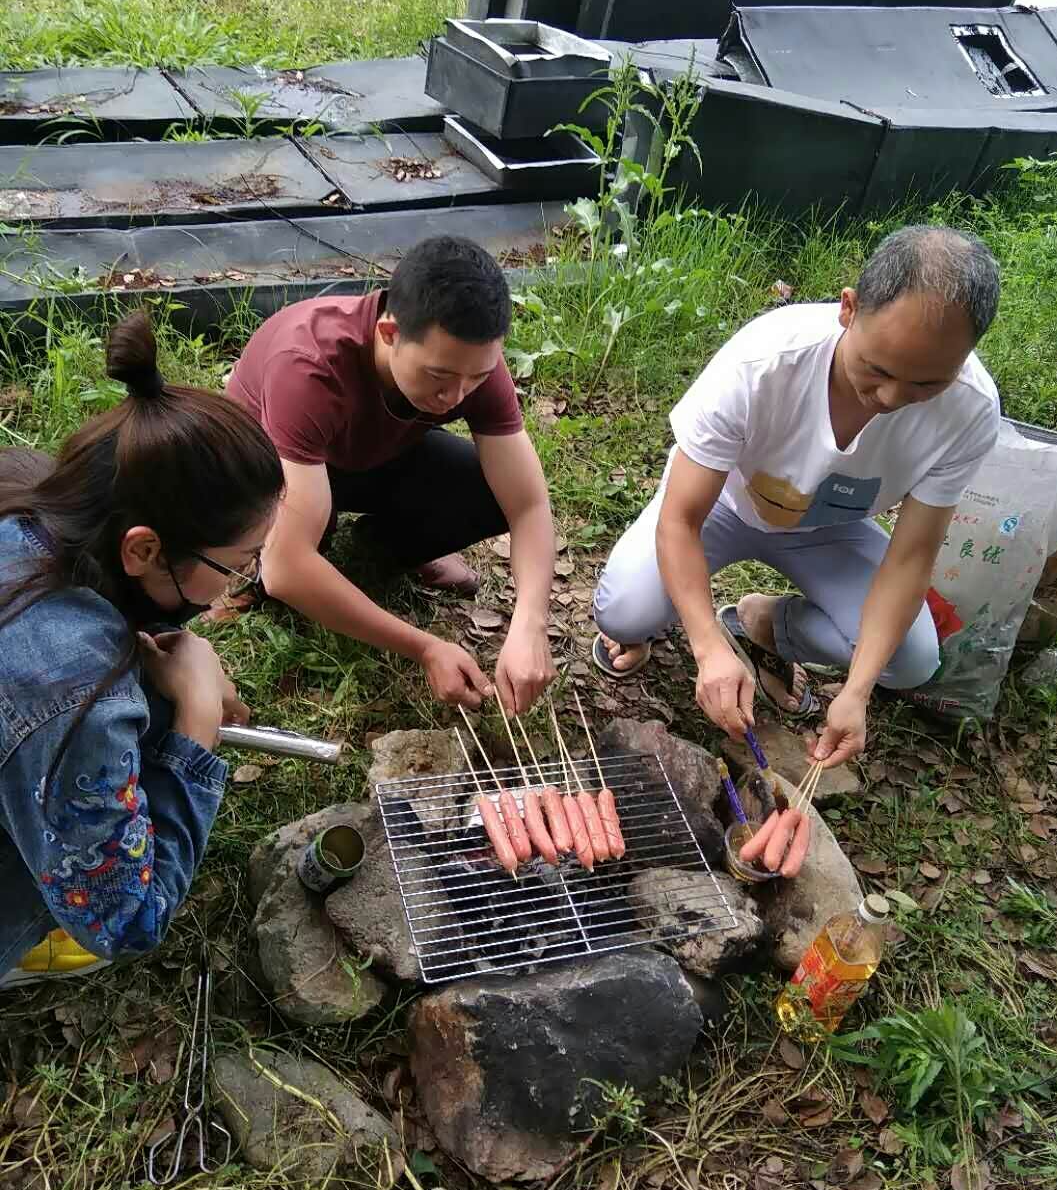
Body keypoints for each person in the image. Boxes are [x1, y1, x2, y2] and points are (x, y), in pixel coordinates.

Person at [593, 226, 1001, 873]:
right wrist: (706, 649)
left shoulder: (971, 411)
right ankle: (682, 627)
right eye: (878, 370)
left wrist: (857, 692)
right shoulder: (765, 361)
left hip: (831, 530)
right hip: (722, 505)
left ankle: (763, 622)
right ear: (849, 309)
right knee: (625, 611)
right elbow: (681, 518)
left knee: (911, 661)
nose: (893, 399)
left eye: (926, 384)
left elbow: (911, 555)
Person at [0, 310, 284, 986]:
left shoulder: (22, 488)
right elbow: (130, 922)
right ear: (143, 549)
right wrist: (196, 719)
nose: (235, 585)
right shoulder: (73, 695)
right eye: (235, 564)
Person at [227, 235, 556, 715]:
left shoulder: (467, 362)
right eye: (439, 377)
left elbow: (528, 502)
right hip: (269, 467)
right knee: (292, 559)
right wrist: (425, 647)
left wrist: (530, 622)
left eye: (477, 379)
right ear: (389, 333)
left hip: (367, 450)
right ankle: (254, 561)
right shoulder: (310, 365)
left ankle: (377, 553)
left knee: (489, 491)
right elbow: (287, 569)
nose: (457, 396)